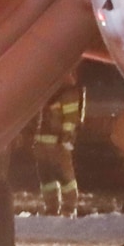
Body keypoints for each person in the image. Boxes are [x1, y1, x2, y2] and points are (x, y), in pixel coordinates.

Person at [33, 76, 86, 216]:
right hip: (42, 143)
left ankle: (69, 207)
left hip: (57, 144)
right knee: (46, 177)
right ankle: (51, 206)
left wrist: (66, 141)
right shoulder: (48, 91)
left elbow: (71, 120)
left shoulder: (69, 93)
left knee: (65, 175)